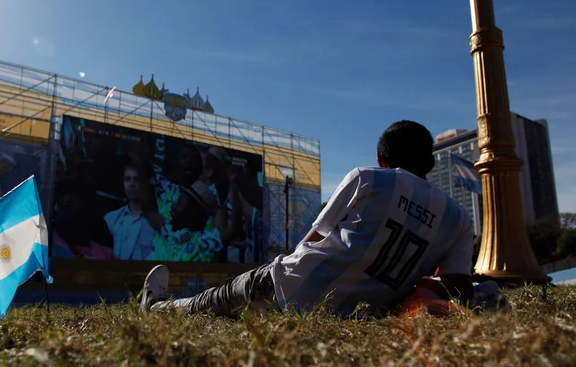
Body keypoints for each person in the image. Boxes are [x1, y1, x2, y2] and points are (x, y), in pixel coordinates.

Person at [140, 120, 480, 317]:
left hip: (287, 288)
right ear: (432, 164)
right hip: (353, 314)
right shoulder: (459, 219)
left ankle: (155, 308)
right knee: (222, 311)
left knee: (210, 303)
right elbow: (458, 287)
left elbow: (312, 240)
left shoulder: (370, 178)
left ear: (381, 157)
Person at [104, 161, 158, 260]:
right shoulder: (111, 219)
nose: (131, 184)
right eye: (127, 179)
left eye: (137, 179)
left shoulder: (158, 222)